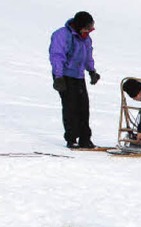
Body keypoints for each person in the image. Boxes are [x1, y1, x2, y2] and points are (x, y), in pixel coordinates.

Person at [49, 11, 101, 149]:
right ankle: (71, 138)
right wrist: (58, 76)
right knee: (70, 106)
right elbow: (57, 56)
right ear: (79, 26)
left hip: (78, 75)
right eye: (88, 28)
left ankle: (85, 139)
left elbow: (88, 56)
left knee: (84, 106)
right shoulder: (62, 35)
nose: (90, 31)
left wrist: (92, 71)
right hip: (64, 75)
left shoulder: (86, 38)